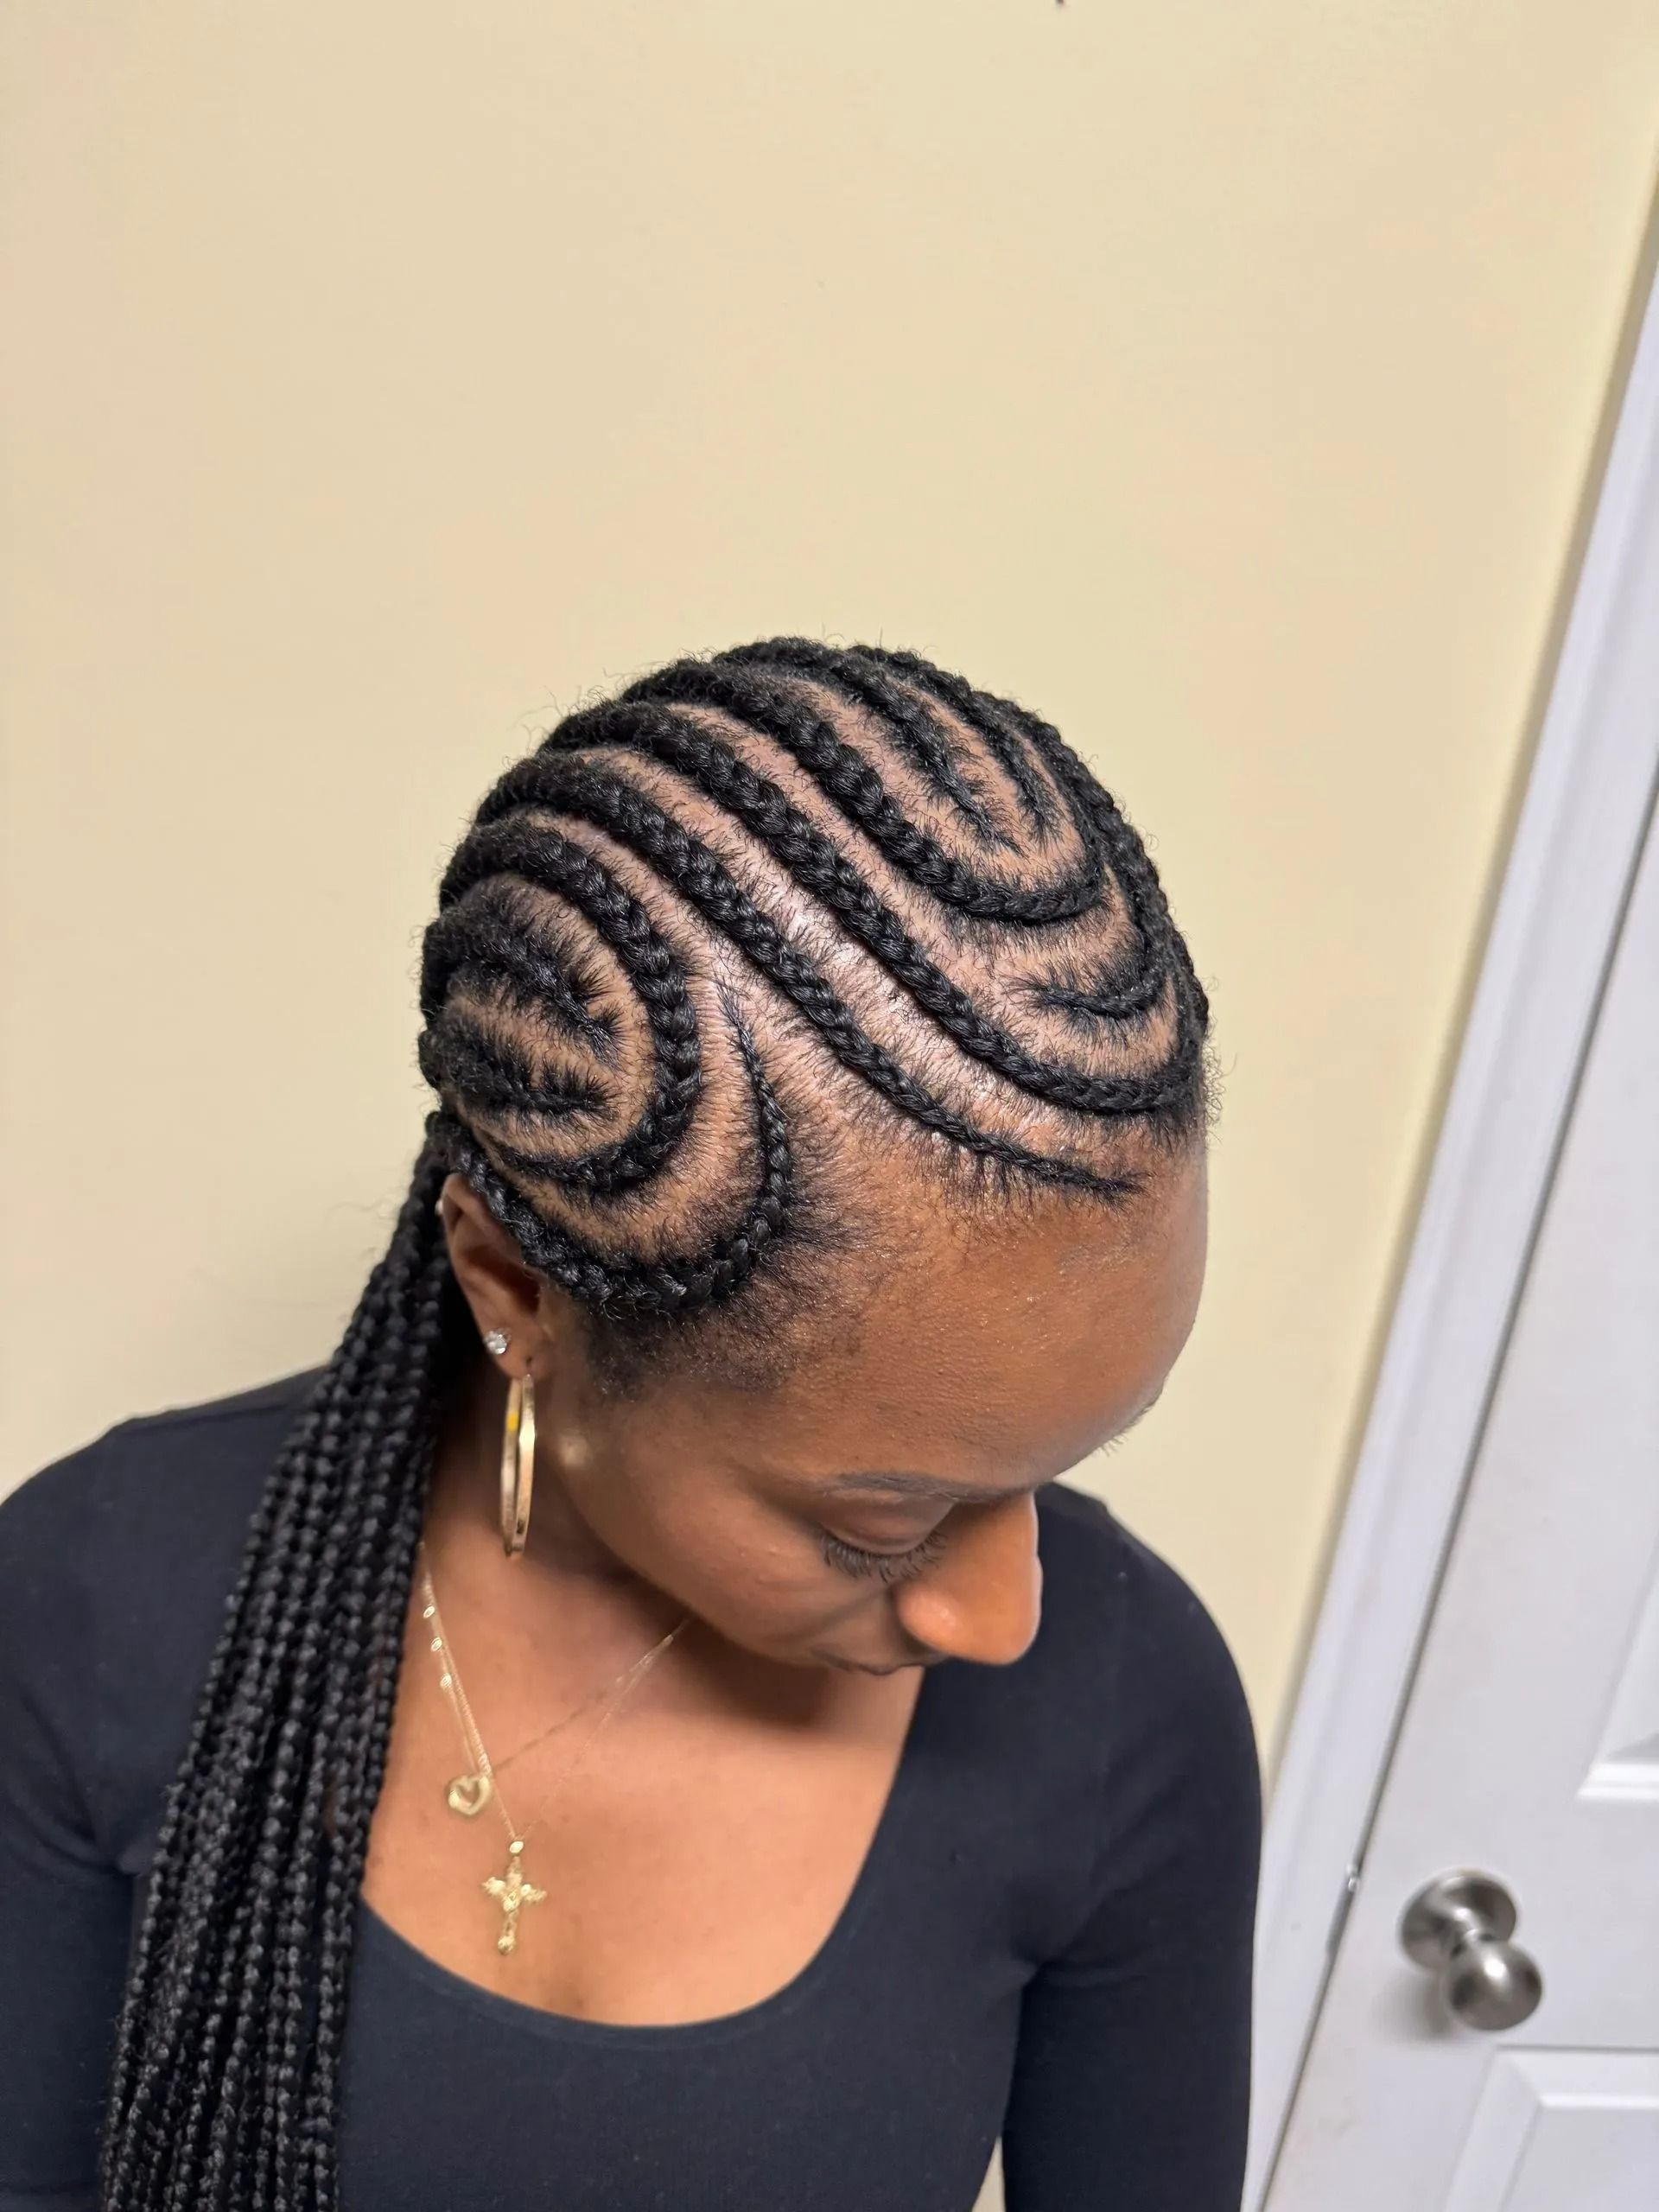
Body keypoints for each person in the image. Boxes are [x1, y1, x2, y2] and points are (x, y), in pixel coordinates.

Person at [0, 639, 1259, 2212]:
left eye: (1063, 1466)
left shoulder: (1128, 1713)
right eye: (880, 1520)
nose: (1006, 1616)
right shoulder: (94, 1599)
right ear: (513, 1285)